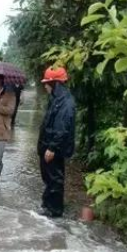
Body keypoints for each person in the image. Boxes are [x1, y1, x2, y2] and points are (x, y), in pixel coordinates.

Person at [37, 66, 76, 218]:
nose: (45, 86)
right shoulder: (56, 99)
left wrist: (52, 148)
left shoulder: (66, 102)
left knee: (55, 178)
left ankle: (55, 211)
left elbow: (62, 128)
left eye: (47, 83)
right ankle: (48, 204)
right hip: (47, 145)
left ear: (55, 83)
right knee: (49, 177)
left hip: (54, 148)